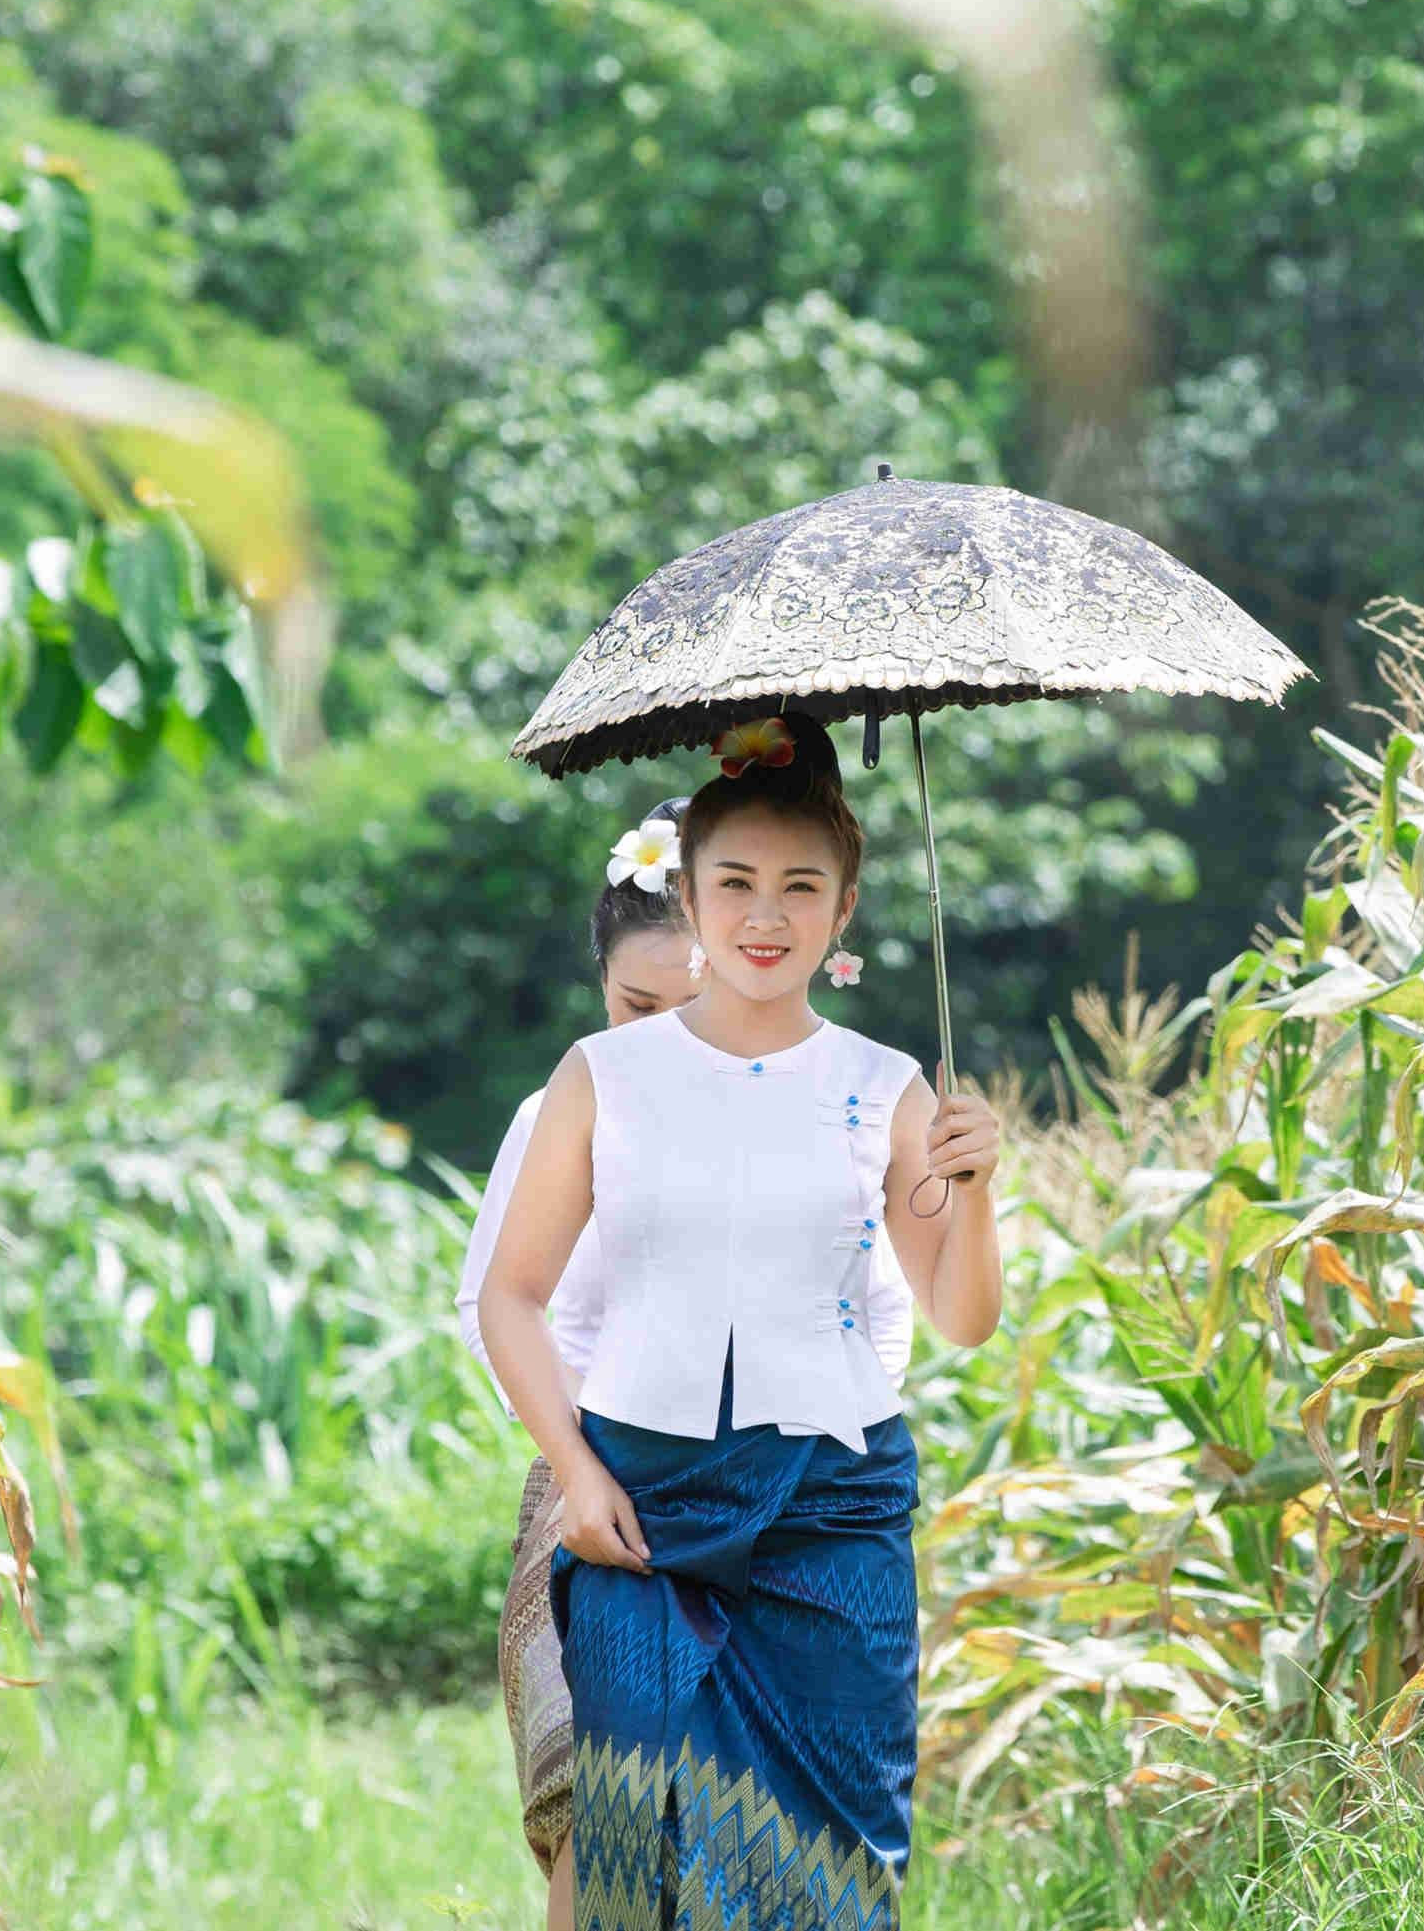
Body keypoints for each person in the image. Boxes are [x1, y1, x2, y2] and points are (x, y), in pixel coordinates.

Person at [477, 710, 1005, 1931]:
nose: (767, 917)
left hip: (836, 1504)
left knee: (836, 1849)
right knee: (625, 1839)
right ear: (695, 896)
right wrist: (575, 1472)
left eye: (800, 887)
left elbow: (963, 1317)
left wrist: (975, 1200)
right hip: (643, 1503)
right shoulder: (602, 1076)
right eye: (737, 884)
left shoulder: (889, 1086)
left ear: (845, 906)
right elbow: (512, 1295)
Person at [449, 794, 704, 1922]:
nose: (659, 1038)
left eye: (695, 1009)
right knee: (596, 1821)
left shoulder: (827, 1118)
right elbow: (491, 1303)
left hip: (766, 1496)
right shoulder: (555, 1116)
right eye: (632, 1004)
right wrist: (584, 1460)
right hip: (588, 1494)